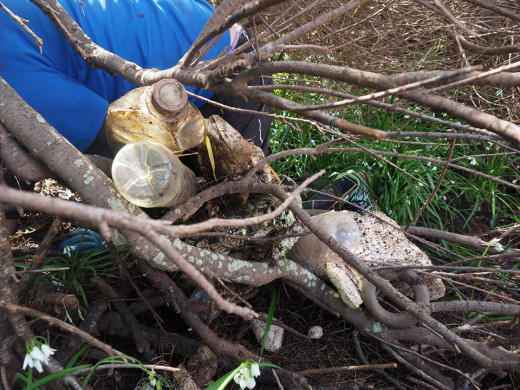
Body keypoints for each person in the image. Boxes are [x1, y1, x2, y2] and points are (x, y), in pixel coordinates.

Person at [0, 0, 272, 158]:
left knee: (240, 202)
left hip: (225, 67)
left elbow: (108, 137)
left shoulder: (10, 70)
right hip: (201, 29)